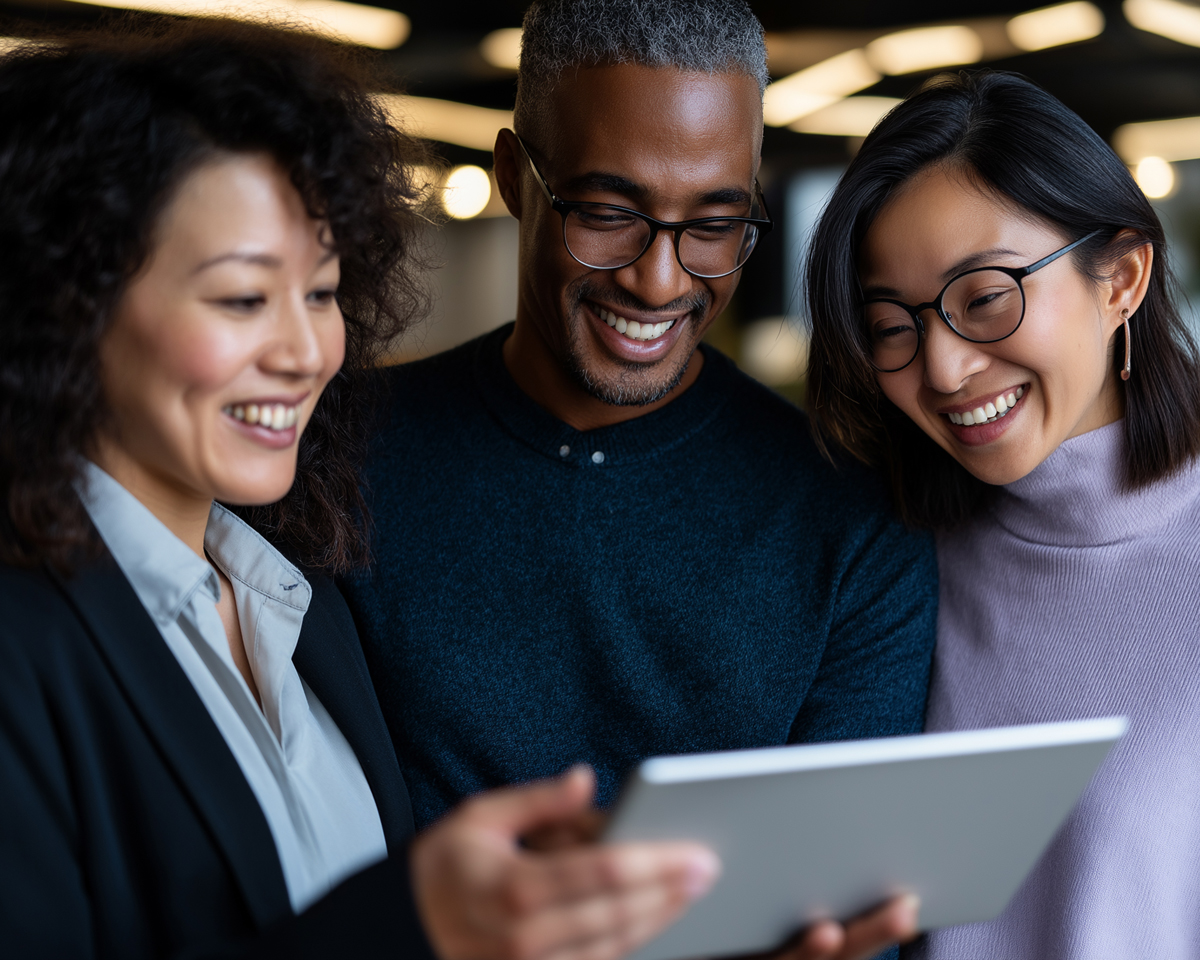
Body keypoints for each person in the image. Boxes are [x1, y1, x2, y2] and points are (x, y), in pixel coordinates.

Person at [0, 22, 726, 959]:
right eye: (242, 298)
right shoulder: (22, 641)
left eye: (321, 292)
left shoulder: (299, 594)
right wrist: (413, 923)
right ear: (68, 304)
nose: (307, 353)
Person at [342, 1, 935, 956]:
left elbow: (850, 907)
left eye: (714, 225)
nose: (660, 281)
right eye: (610, 215)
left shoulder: (851, 518)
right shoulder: (338, 452)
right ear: (511, 179)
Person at [804, 69, 1200, 960]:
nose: (942, 370)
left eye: (984, 298)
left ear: (1122, 279)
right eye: (893, 325)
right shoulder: (888, 562)